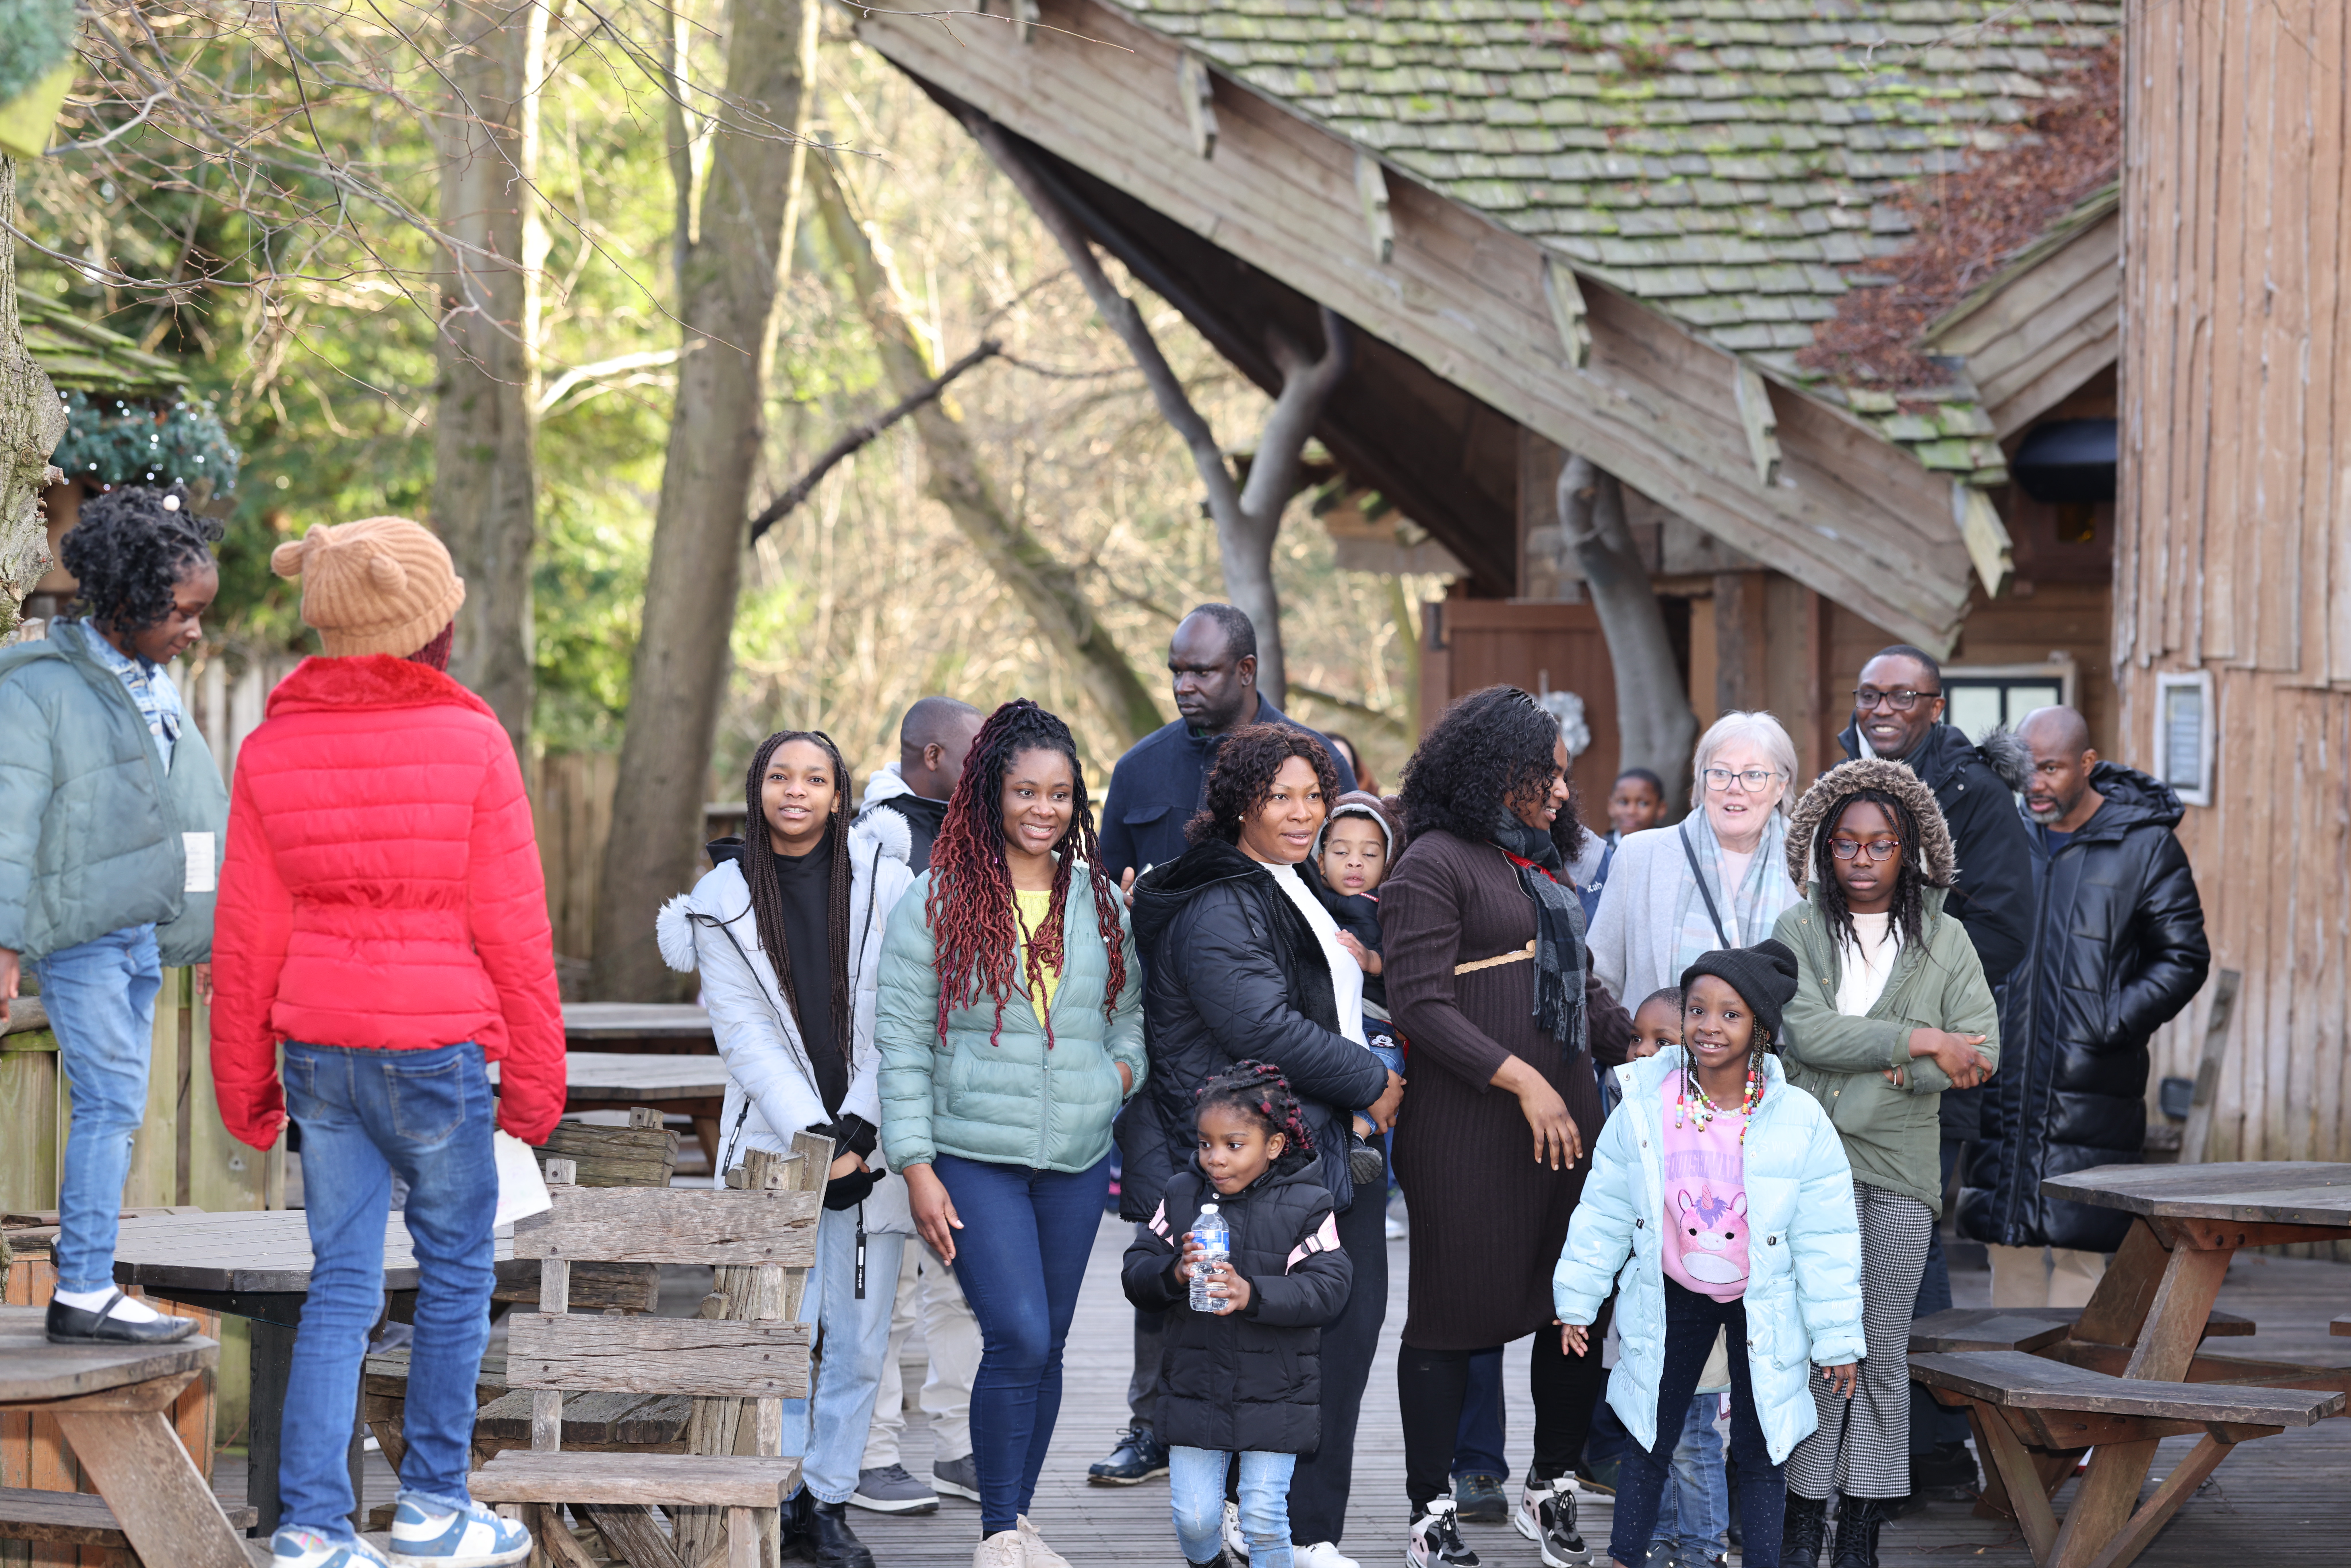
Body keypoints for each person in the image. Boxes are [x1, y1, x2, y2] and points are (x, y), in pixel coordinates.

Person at [211, 516, 563, 1568]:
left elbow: (247, 932)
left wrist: (245, 1085)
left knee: (342, 1283)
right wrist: (538, 1083)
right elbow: (514, 923)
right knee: (456, 1271)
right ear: (427, 624)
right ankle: (432, 1506)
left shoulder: (271, 747)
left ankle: (312, 1527)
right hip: (435, 1047)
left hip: (320, 1047)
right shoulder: (471, 739)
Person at [874, 698, 1147, 1568]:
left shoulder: (1100, 902)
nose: (1044, 809)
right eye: (1026, 791)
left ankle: (1019, 1520)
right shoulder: (939, 900)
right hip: (972, 1155)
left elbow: (1130, 1017)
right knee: (1019, 1333)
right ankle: (996, 1530)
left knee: (1051, 1341)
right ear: (989, 794)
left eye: (1061, 794)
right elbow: (903, 1044)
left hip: (1073, 1156)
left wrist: (1114, 1080)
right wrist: (916, 1165)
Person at [1094, 603, 1356, 1487]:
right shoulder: (1138, 770)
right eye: (1175, 669)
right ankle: (1152, 1426)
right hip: (1176, 1066)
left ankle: (1262, 1448)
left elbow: (1345, 887)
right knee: (1172, 1243)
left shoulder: (1316, 758)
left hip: (1284, 1075)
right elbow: (1105, 896)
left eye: (1202, 671)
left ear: (1246, 669)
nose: (1184, 687)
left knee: (1270, 1253)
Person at [1126, 726, 1399, 1568]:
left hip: (1315, 1149)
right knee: (1284, 1349)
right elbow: (1260, 1026)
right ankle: (1284, 1531)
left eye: (1314, 795)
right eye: (1280, 795)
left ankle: (1299, 1531)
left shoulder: (1291, 883)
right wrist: (1370, 1083)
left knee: (1336, 1346)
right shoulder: (1219, 899)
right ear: (1241, 800)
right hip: (1257, 1167)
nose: (1302, 811)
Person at [1379, 686, 1636, 1568]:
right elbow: (1417, 1001)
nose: (1563, 792)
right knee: (1452, 1318)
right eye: (1547, 777)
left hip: (1568, 1133)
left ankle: (1551, 1484)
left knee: (1574, 1306)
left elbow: (1584, 991)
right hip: (1468, 1133)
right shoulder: (1431, 864)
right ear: (1496, 775)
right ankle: (1430, 1508)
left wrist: (1652, 1037)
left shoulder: (1540, 865)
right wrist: (1523, 1078)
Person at [658, 729, 916, 1568]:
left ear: (840, 793)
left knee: (858, 1336)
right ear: (757, 789)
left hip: (875, 1148)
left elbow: (904, 1008)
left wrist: (864, 1127)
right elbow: (743, 1038)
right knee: (781, 1331)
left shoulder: (885, 880)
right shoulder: (722, 898)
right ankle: (777, 1489)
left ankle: (828, 1500)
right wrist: (817, 1144)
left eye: (815, 778)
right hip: (780, 1153)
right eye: (781, 776)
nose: (797, 791)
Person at [0, 485, 228, 1346]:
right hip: (82, 932)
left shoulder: (159, 689)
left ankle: (90, 1281)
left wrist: (209, 935)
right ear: (126, 601)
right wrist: (6, 941)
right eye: (181, 612)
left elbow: (196, 811)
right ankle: (85, 1287)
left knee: (118, 1104)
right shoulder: (42, 692)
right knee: (111, 1104)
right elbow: (9, 821)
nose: (194, 629)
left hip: (136, 932)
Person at [1554, 943, 1866, 1568]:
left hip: (1764, 1300)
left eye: (1730, 1014)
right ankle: (1625, 1557)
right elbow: (1604, 1209)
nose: (1708, 1026)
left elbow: (1826, 1238)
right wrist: (1578, 1301)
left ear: (1761, 1029)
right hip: (1673, 1293)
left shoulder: (1798, 1120)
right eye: (1697, 1009)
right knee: (1649, 1432)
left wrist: (1836, 1339)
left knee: (1761, 1446)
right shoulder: (1646, 1107)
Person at [1770, 759, 1999, 1568]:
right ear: (1825, 852)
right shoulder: (1799, 930)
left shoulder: (1945, 936)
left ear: (1911, 851)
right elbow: (1804, 1034)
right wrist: (1917, 1039)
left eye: (1881, 844)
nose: (1862, 859)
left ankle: (1860, 1529)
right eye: (1846, 845)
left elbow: (1985, 1048)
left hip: (1901, 1170)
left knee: (1878, 1347)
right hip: (1809, 1168)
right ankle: (1804, 1521)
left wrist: (1920, 1064)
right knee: (1815, 1345)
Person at [1834, 646, 2034, 1501]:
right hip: (1837, 1053)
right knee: (1849, 1244)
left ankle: (1934, 1449)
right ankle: (1876, 1442)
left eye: (1901, 695)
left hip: (1929, 1051)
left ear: (1935, 708)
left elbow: (2005, 929)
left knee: (1907, 1239)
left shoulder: (1974, 797)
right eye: (1869, 693)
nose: (1882, 707)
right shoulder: (1834, 785)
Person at [1958, 706, 2210, 1308]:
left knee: (2083, 1245)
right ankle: (2008, 1393)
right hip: (2001, 1076)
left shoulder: (2144, 844)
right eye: (2025, 767)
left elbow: (2183, 956)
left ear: (2087, 765)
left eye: (2051, 767)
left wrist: (2110, 1020)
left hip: (2092, 1080)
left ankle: (2072, 1398)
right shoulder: (1994, 837)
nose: (2035, 782)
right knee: (2006, 1241)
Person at [1123, 1062, 1355, 1568]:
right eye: (1205, 1143)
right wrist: (1174, 1273)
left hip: (1279, 1393)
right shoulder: (1180, 1194)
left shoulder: (1310, 1203)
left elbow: (1330, 1286)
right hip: (1194, 1387)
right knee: (1195, 1518)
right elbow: (1136, 1269)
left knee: (1266, 1517)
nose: (1215, 1159)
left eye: (1233, 1144)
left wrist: (1252, 1293)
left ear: (1273, 1145)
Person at [853, 697, 988, 1515]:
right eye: (979, 754)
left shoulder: (981, 834)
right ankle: (869, 1453)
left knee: (963, 1280)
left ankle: (962, 1445)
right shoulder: (879, 842)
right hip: (888, 1090)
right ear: (933, 755)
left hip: (969, 1096)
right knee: (887, 1281)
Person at [1588, 713, 1804, 1008]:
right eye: (1720, 773)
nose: (1734, 787)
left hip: (1776, 1055)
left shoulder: (1813, 862)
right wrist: (1640, 1049)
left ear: (1781, 786)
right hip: (1660, 1053)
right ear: (1701, 781)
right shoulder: (1639, 855)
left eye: (1753, 775)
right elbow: (1598, 980)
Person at [1305, 790, 1406, 1170]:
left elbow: (1403, 963)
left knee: (1386, 1064)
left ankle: (1355, 1138)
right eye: (1342, 852)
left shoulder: (1389, 906)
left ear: (1388, 862)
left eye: (1370, 854)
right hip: (1327, 1016)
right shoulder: (1309, 898)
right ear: (1320, 859)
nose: (1355, 864)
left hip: (1375, 1016)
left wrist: (1371, 960)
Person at [862, 696, 987, 870]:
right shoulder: (868, 844)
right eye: (978, 759)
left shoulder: (980, 829)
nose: (988, 771)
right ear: (933, 756)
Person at [1574, 768, 1669, 923]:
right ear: (1611, 806)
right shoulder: (1597, 853)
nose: (1631, 811)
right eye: (1623, 802)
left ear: (1661, 809)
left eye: (1643, 804)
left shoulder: (1668, 852)